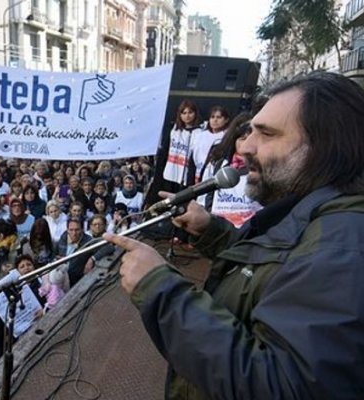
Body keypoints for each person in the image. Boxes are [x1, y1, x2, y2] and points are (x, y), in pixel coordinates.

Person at [103, 72, 364, 399]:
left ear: (323, 148)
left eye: (266, 134)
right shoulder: (316, 217)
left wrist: (160, 289)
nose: (246, 147)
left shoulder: (343, 246)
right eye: (250, 131)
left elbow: (284, 386)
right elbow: (277, 269)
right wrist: (212, 232)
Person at [163, 100, 202, 191]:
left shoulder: (199, 132)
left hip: (187, 175)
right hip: (170, 173)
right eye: (184, 113)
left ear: (195, 113)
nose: (187, 116)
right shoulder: (175, 130)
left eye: (190, 112)